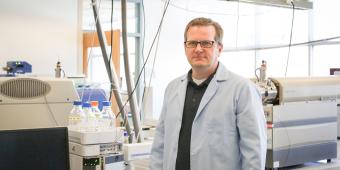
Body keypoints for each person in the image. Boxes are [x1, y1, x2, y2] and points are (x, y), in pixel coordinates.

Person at [150, 17, 267, 170]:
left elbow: (254, 151)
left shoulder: (242, 89)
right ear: (185, 47)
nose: (198, 49)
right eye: (192, 43)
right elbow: (160, 144)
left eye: (206, 43)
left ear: (219, 48)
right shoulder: (172, 88)